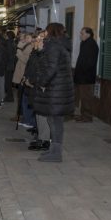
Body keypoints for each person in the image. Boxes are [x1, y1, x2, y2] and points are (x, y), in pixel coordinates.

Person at [33, 23, 75, 162]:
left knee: (55, 121)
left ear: (51, 31)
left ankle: (56, 154)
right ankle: (53, 150)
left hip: (55, 89)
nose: (44, 33)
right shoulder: (60, 44)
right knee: (53, 120)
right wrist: (40, 51)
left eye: (46, 30)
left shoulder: (54, 46)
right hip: (59, 88)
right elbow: (48, 62)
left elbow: (50, 68)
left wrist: (42, 83)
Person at [73, 27, 99, 122]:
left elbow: (89, 62)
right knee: (83, 98)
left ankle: (87, 117)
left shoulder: (91, 44)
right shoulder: (85, 43)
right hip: (82, 76)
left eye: (82, 33)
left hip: (86, 77)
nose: (81, 35)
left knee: (87, 98)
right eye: (80, 33)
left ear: (88, 34)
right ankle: (83, 115)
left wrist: (82, 72)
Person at [4, 30, 17, 102]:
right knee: (8, 82)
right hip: (11, 65)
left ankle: (10, 97)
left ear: (8, 36)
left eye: (6, 35)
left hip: (8, 65)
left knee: (8, 82)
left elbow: (8, 55)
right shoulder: (12, 42)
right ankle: (9, 96)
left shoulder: (8, 43)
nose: (5, 36)